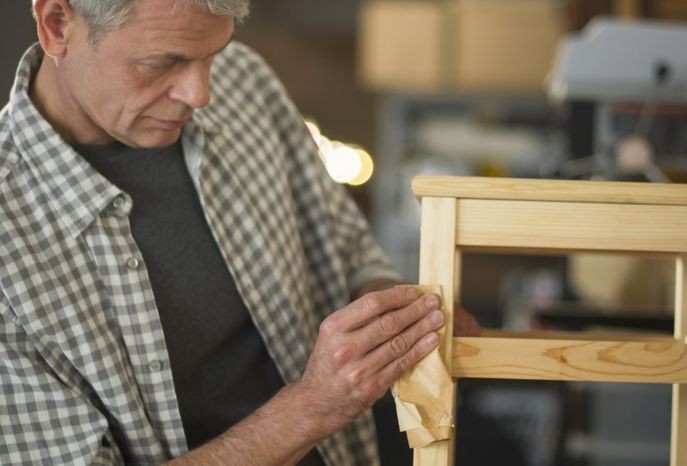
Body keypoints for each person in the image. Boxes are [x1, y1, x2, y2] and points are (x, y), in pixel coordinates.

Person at [0, 0, 479, 464]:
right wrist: (312, 407)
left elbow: (345, 248)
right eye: (162, 63)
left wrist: (395, 311)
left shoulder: (245, 80)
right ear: (58, 24)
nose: (200, 94)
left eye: (214, 55)